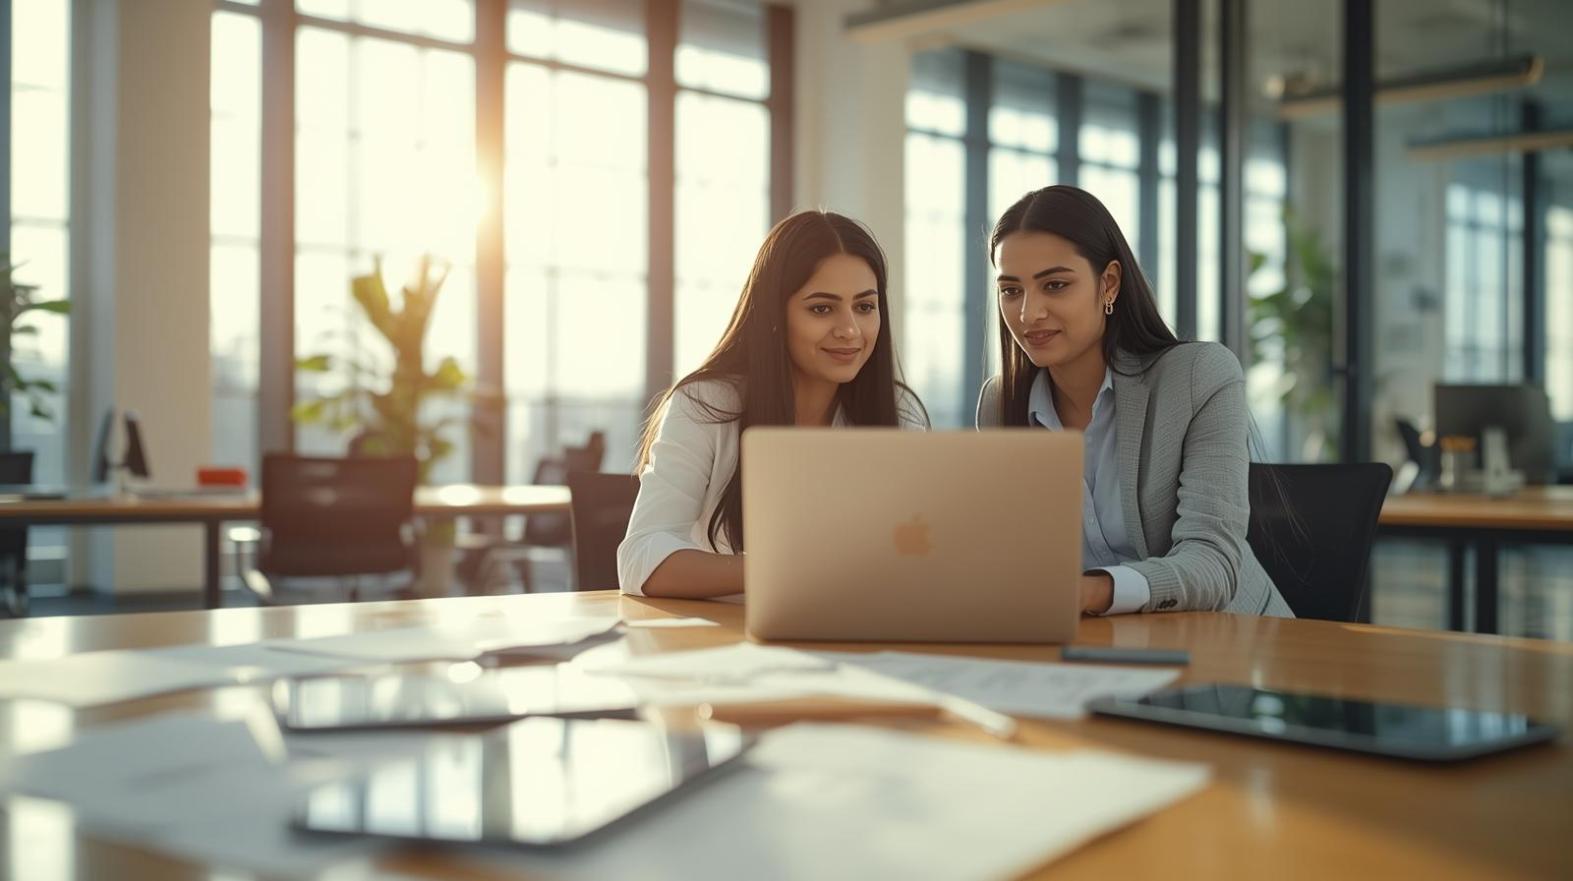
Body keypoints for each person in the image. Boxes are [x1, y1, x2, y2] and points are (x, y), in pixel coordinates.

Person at [978, 185, 1291, 617]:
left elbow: (1212, 563)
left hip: (1232, 652)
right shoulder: (1002, 404)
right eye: (1011, 291)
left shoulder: (1198, 377)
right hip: (1093, 652)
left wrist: (1089, 592)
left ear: (1108, 283)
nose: (1029, 314)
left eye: (1055, 285)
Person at [619, 210, 927, 599]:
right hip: (729, 639)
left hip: (856, 637)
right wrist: (789, 568)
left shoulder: (898, 413)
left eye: (865, 307)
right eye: (821, 308)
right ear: (774, 316)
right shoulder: (706, 404)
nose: (850, 330)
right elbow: (640, 559)